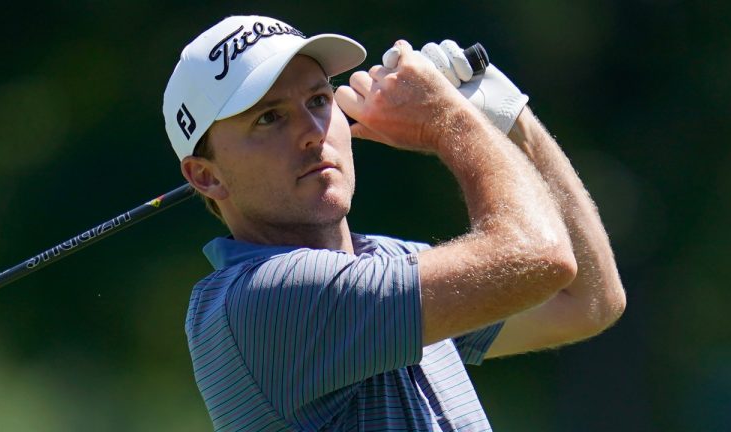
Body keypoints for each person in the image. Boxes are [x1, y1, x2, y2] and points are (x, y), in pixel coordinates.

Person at [162, 14, 625, 431]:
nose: (311, 131)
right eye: (269, 118)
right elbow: (541, 257)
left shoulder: (386, 262)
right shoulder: (263, 301)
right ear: (206, 176)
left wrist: (511, 122)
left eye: (319, 100)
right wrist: (451, 121)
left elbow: (587, 301)